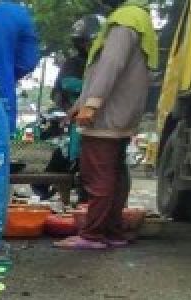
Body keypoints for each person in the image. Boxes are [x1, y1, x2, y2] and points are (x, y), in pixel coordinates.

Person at [55, 0, 156, 251]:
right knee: (115, 172)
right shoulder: (139, 18)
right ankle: (112, 231)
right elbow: (101, 70)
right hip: (123, 109)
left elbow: (110, 65)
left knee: (97, 174)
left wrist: (92, 103)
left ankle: (93, 234)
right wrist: (81, 102)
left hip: (109, 112)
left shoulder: (124, 20)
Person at [52, 15, 103, 111]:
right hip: (71, 116)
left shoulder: (110, 64)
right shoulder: (73, 62)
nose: (85, 45)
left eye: (89, 42)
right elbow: (67, 84)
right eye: (82, 42)